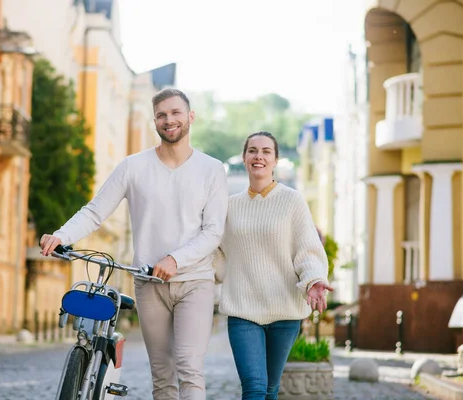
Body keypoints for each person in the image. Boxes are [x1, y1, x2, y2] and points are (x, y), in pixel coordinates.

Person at [39, 88, 229, 400]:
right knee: (162, 373)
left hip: (195, 281)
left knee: (189, 367)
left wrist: (174, 260)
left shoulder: (211, 169)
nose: (169, 120)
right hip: (148, 283)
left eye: (176, 113)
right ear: (155, 121)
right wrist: (62, 235)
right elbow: (95, 211)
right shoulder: (133, 166)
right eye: (162, 115)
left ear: (190, 116)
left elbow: (213, 232)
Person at [214, 131, 332, 400]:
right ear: (244, 159)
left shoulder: (292, 201)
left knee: (269, 390)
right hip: (243, 310)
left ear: (276, 160)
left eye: (266, 151)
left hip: (284, 310)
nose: (259, 156)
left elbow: (307, 249)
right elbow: (217, 254)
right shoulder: (228, 207)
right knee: (254, 387)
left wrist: (313, 280)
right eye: (253, 151)